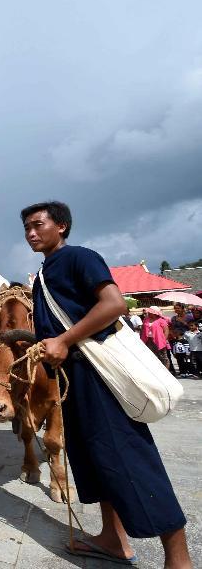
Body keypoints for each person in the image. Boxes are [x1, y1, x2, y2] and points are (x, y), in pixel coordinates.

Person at [22, 200, 189, 567]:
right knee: (94, 460)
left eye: (38, 225)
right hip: (72, 379)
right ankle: (114, 538)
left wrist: (64, 341)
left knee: (129, 457)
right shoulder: (44, 273)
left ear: (62, 226)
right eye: (27, 229)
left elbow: (114, 305)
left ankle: (178, 558)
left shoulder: (81, 257)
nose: (31, 233)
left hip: (100, 375)